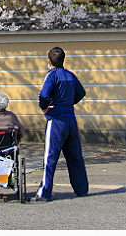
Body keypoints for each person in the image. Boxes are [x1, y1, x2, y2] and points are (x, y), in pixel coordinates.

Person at [32, 46, 88, 202]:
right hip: (71, 120)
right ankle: (82, 189)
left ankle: (44, 192)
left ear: (49, 61)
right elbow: (81, 92)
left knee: (50, 157)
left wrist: (44, 107)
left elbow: (43, 94)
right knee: (75, 157)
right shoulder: (70, 76)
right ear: (63, 59)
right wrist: (69, 103)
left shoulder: (52, 76)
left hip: (56, 121)